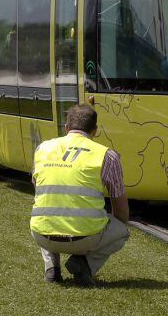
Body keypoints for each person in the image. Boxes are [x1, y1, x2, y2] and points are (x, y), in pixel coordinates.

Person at [30, 104, 130, 285]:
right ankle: (85, 265)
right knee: (122, 231)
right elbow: (121, 211)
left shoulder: (43, 149)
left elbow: (39, 190)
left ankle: (52, 267)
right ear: (95, 130)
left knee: (46, 209)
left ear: (66, 127)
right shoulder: (107, 156)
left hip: (42, 235)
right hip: (86, 239)